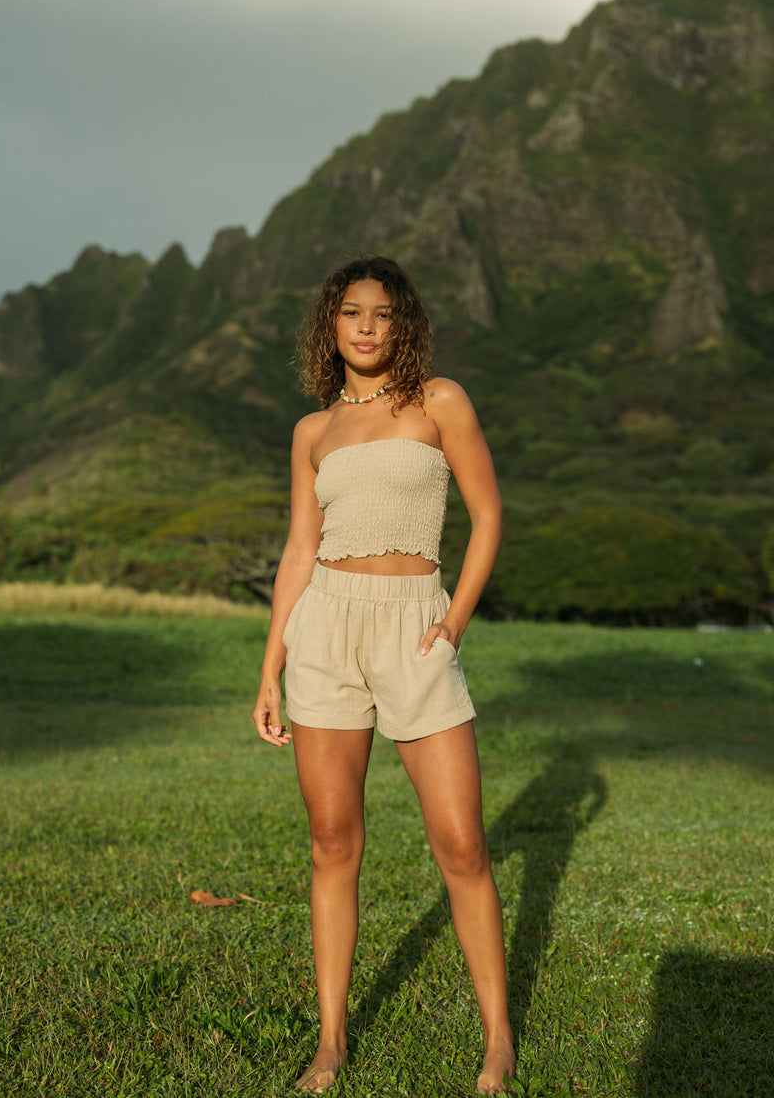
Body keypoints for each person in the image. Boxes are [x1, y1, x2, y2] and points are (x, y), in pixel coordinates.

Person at [252, 255, 515, 1094]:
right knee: (333, 841)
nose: (366, 326)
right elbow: (299, 549)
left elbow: (488, 515)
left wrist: (453, 621)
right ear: (330, 325)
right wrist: (271, 667)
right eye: (350, 312)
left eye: (383, 313)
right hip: (325, 628)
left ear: (403, 324)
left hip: (415, 625)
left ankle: (499, 1040)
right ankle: (330, 1041)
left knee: (463, 844)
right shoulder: (312, 431)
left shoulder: (440, 401)